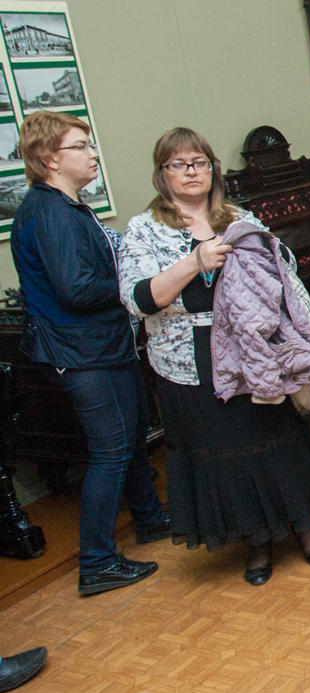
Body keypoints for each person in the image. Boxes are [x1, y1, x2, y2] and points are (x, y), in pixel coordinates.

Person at [119, 128, 310, 586]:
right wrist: (193, 262)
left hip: (252, 352)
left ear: (212, 169)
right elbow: (139, 300)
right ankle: (256, 542)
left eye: (200, 162)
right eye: (179, 164)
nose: (191, 172)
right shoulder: (145, 229)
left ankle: (303, 526)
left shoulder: (239, 218)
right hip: (188, 361)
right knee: (224, 452)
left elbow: (280, 275)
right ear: (162, 173)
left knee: (272, 437)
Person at [11, 111, 168, 596]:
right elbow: (77, 289)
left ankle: (151, 520)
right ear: (49, 159)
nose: (94, 153)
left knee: (132, 439)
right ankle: (97, 563)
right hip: (82, 353)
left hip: (103, 346)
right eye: (81, 146)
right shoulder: (51, 212)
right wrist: (136, 286)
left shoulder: (67, 206)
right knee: (111, 452)